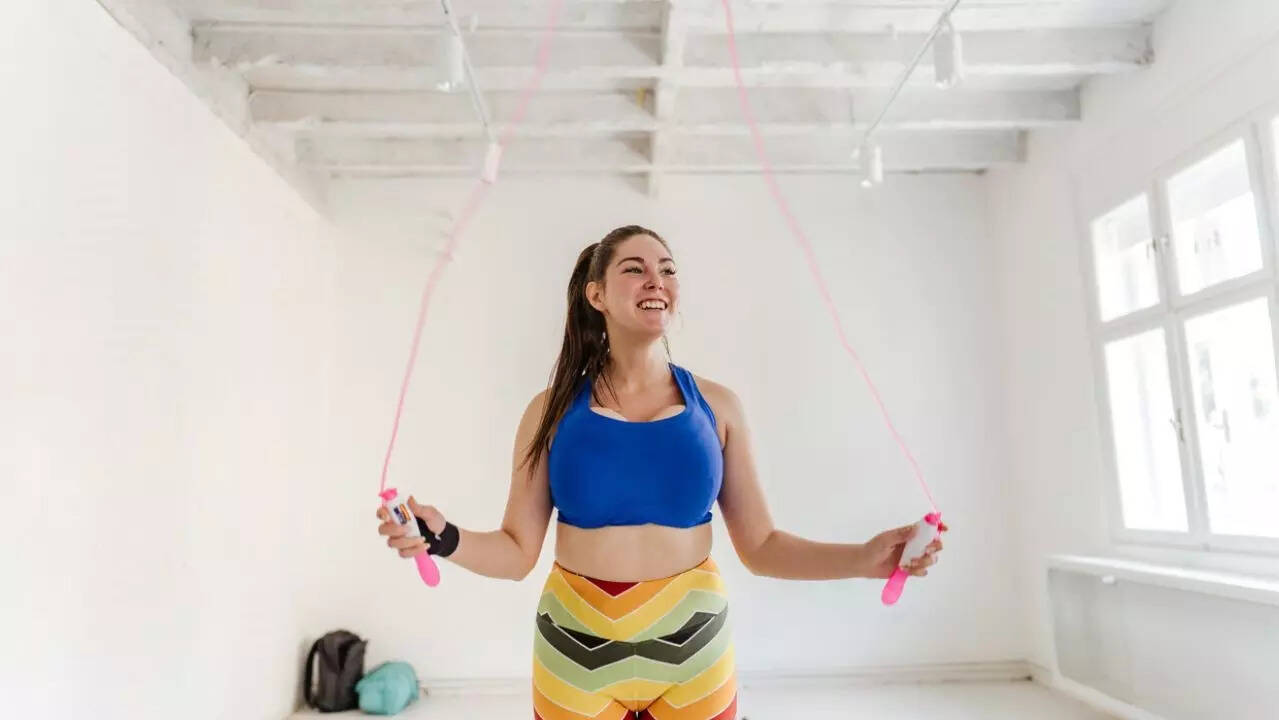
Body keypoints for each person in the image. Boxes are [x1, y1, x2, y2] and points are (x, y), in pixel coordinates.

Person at [376, 225, 947, 720]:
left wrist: (865, 559)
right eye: (635, 269)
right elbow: (517, 550)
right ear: (596, 294)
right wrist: (441, 537)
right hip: (575, 644)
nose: (657, 280)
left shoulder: (718, 407)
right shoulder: (549, 411)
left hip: (694, 646)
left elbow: (762, 546)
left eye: (668, 269)